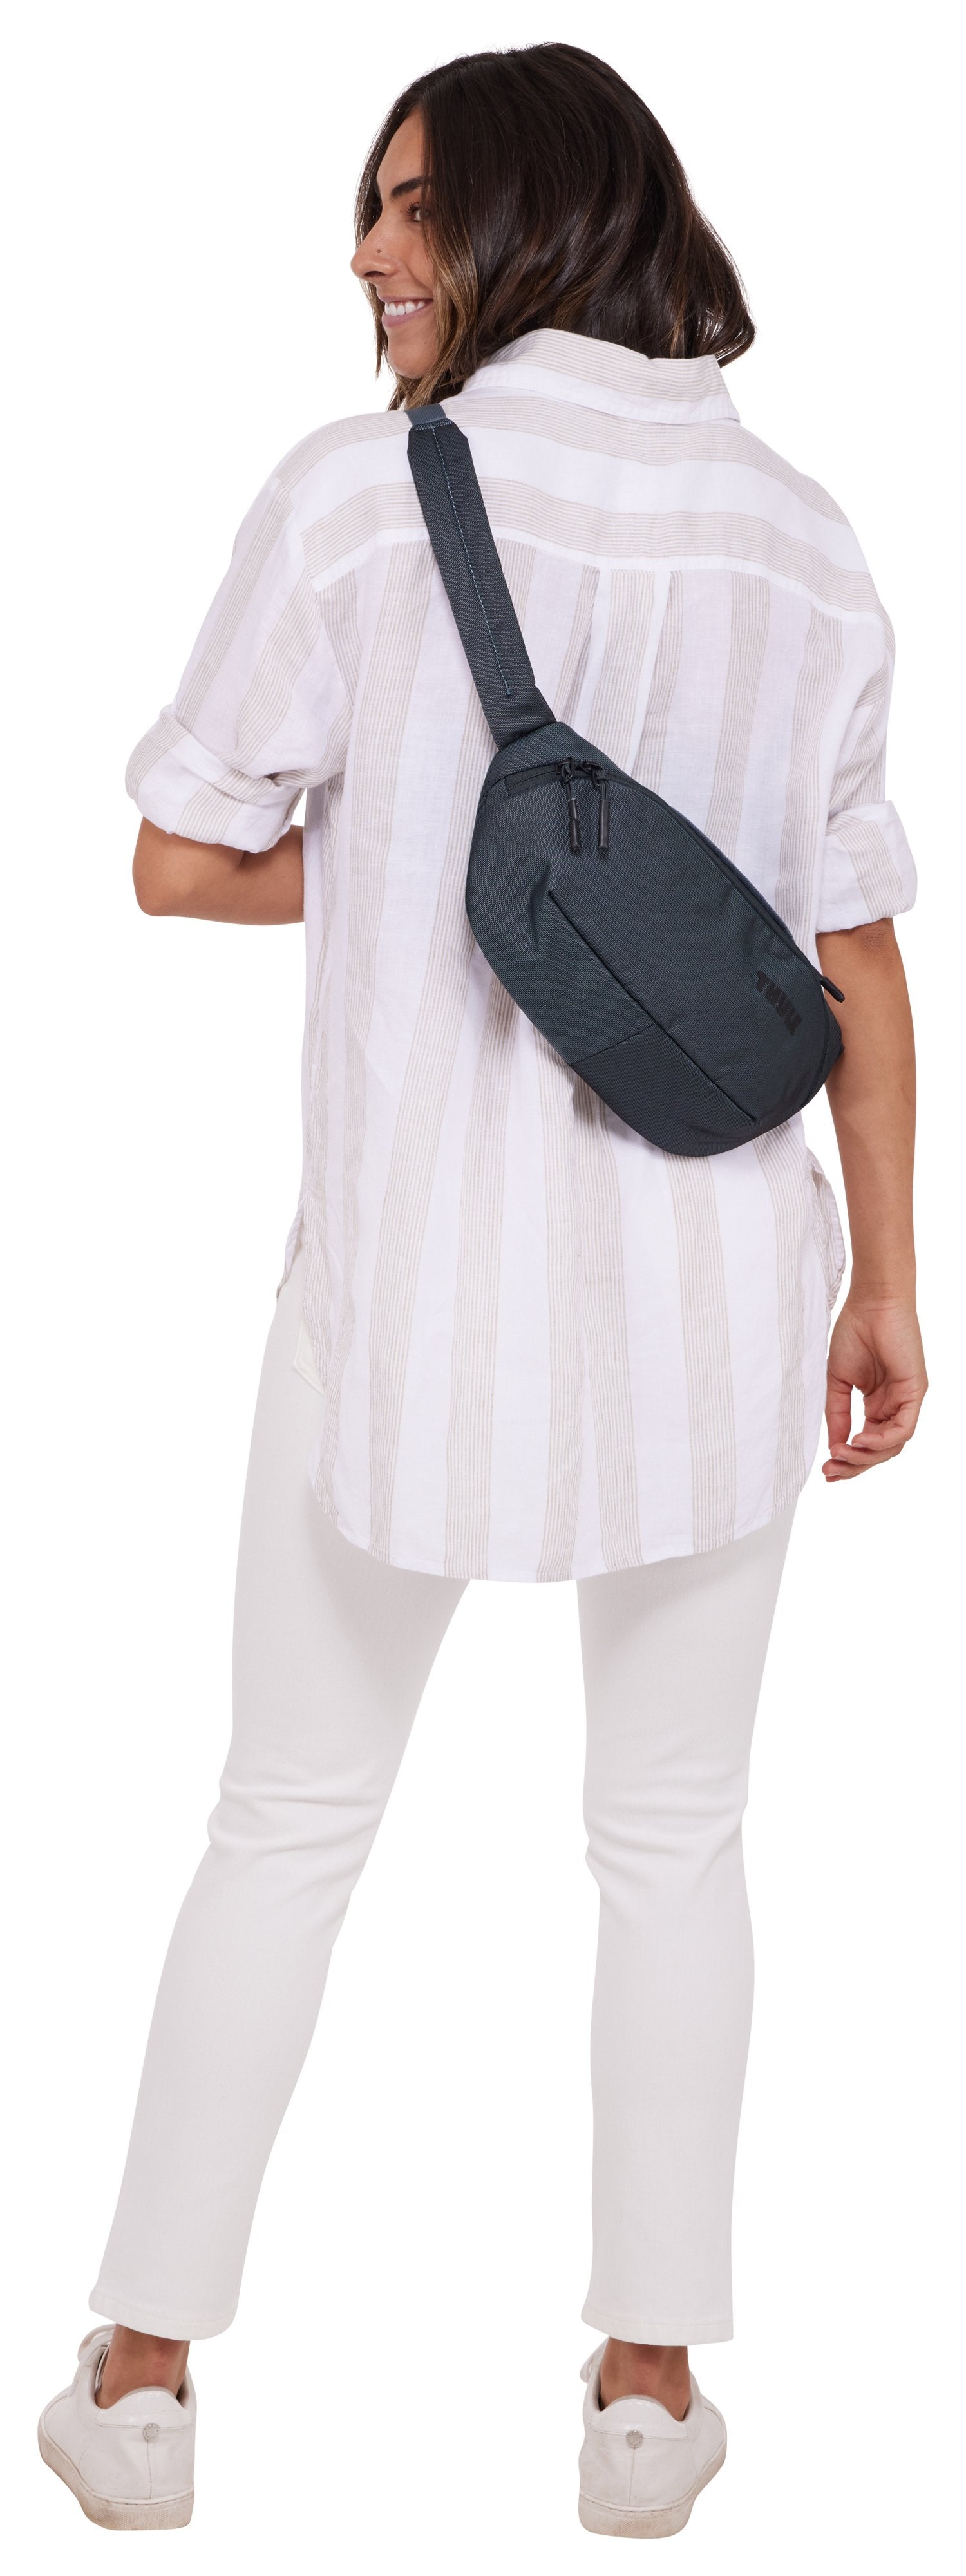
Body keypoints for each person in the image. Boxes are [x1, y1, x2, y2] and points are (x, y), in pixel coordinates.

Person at [38, 42, 926, 2540]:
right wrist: (887, 1283)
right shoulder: (805, 538)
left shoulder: (358, 496)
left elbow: (175, 861)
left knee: (287, 1814)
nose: (365, 251)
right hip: (722, 1288)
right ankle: (646, 2400)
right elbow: (852, 950)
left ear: (540, 211)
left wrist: (417, 845)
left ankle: (143, 2373)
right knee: (678, 1838)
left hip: (405, 1288)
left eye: (410, 203)